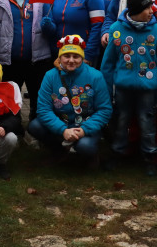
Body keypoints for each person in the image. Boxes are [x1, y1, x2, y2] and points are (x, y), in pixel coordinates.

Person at [99, 0, 157, 175]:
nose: (151, 10)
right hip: (123, 89)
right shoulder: (116, 29)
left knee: (147, 122)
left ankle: (149, 157)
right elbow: (107, 64)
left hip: (147, 89)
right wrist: (106, 94)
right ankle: (117, 152)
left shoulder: (156, 31)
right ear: (136, 9)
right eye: (147, 7)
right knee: (121, 121)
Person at [28, 36, 112, 166]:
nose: (71, 60)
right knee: (35, 126)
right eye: (66, 56)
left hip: (85, 123)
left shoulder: (95, 76)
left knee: (85, 146)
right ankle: (59, 151)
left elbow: (105, 109)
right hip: (62, 122)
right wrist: (63, 130)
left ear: (82, 58)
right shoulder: (50, 76)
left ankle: (89, 154)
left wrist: (84, 129)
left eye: (76, 56)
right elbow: (43, 109)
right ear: (60, 57)